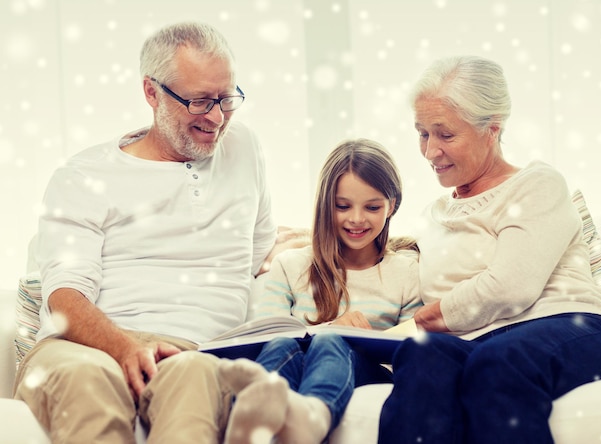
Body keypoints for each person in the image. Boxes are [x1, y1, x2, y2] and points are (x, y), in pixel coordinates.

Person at [12, 21, 296, 443]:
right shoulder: (84, 176)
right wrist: (126, 346)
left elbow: (255, 251)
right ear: (151, 92)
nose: (217, 118)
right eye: (200, 101)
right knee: (88, 379)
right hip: (85, 347)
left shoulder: (244, 150)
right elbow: (64, 300)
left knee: (197, 374)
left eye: (226, 98)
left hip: (192, 351)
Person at [377, 55, 601, 444]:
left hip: (571, 326)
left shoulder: (536, 184)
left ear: (491, 129)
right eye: (422, 133)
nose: (429, 151)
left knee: (498, 363)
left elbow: (512, 285)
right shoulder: (434, 216)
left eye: (444, 134)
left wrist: (429, 318)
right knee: (421, 357)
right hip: (476, 342)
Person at [217, 138, 423, 444]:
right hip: (294, 360)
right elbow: (265, 337)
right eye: (342, 206)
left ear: (391, 205)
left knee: (329, 342)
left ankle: (312, 418)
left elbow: (409, 356)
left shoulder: (407, 271)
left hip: (366, 371)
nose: (356, 218)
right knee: (278, 348)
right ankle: (253, 424)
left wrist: (349, 338)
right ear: (326, 204)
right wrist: (332, 326)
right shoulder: (290, 265)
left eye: (372, 206)